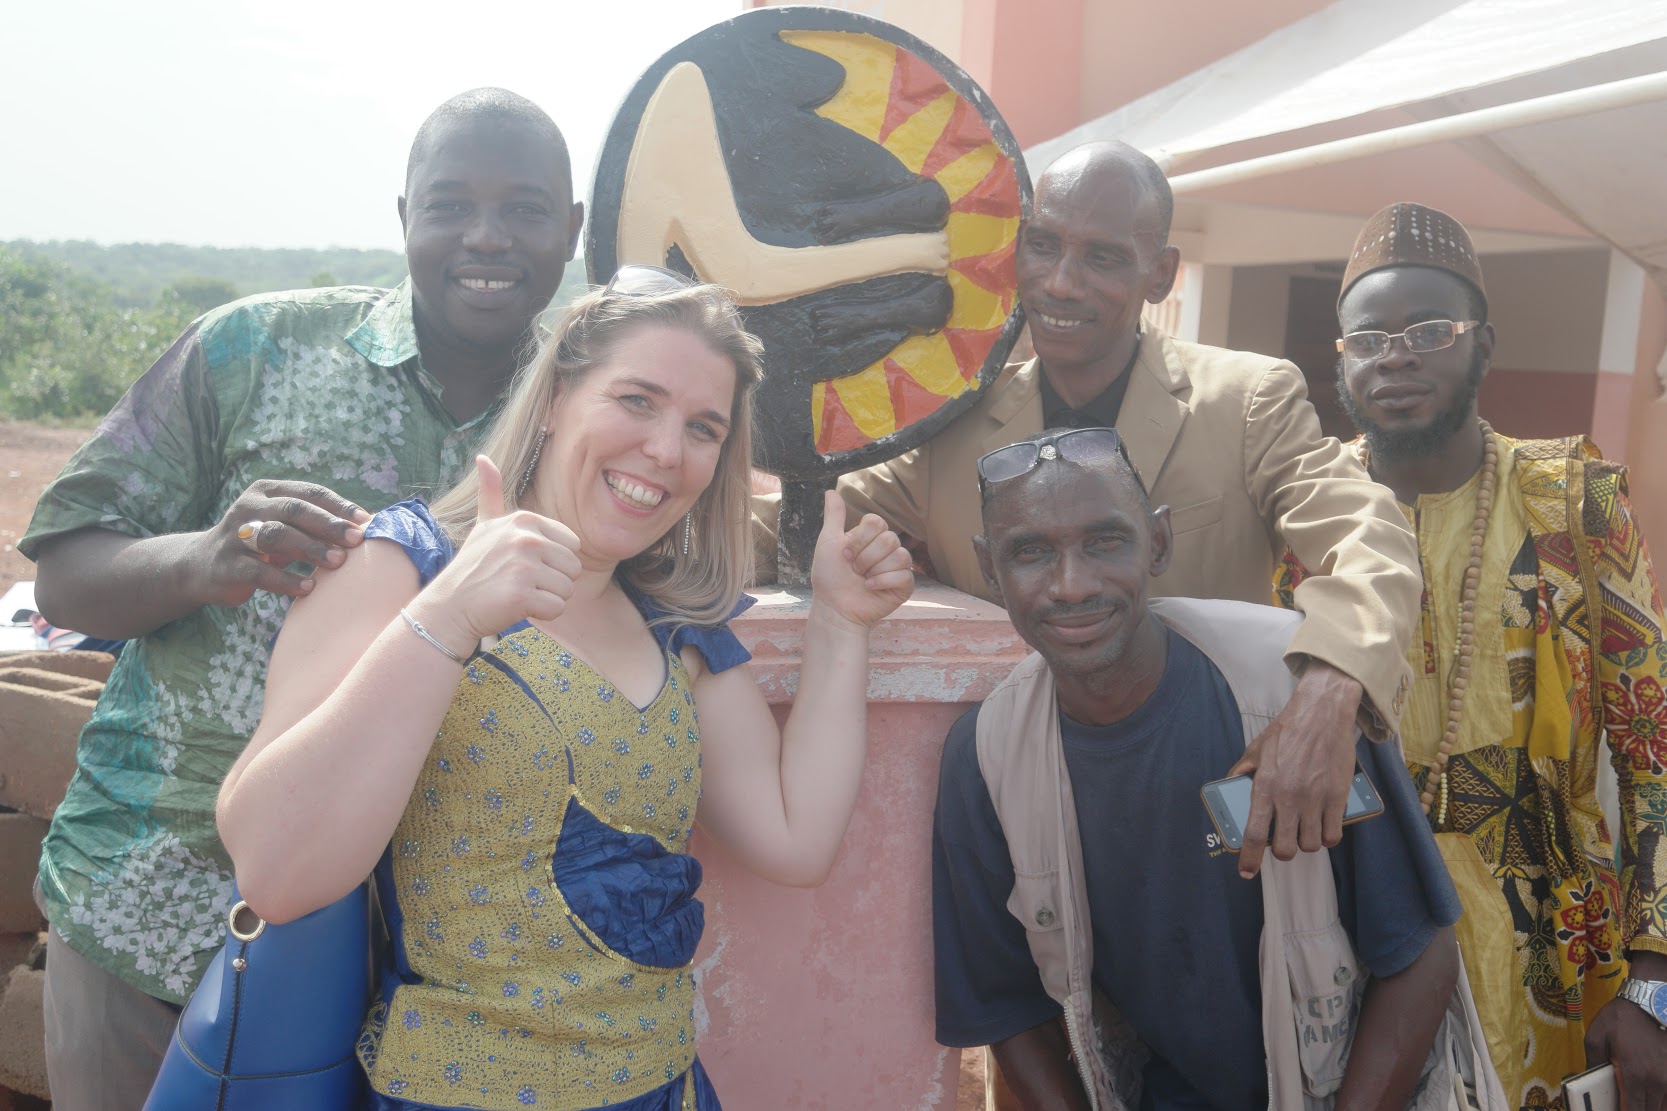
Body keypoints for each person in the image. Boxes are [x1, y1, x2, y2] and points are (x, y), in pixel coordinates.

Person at [215, 271, 914, 1109]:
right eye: (637, 400)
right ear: (553, 398)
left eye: (703, 427)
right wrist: (450, 616)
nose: (665, 449)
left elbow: (795, 840)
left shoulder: (673, 628)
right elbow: (274, 871)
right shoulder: (399, 568)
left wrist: (842, 622)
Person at [19, 87, 584, 1108]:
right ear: (403, 215)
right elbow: (65, 569)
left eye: (526, 208)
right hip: (159, 907)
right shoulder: (252, 352)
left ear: (572, 228)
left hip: (425, 974)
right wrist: (203, 558)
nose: (485, 237)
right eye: (450, 202)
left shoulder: (589, 415)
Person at [759, 140, 1422, 877]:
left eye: (1102, 257)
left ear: (1159, 274)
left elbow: (1368, 536)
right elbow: (801, 528)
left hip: (1218, 812)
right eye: (1041, 245)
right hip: (1016, 827)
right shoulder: (953, 425)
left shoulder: (1243, 403)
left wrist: (1330, 689)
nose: (1059, 283)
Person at [932, 427, 1496, 1110]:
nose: (1071, 585)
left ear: (1159, 542)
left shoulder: (1298, 692)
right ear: (988, 567)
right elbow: (1007, 1003)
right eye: (1029, 553)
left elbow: (1417, 949)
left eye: (1106, 541)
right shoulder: (986, 754)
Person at [1318, 201, 1667, 1109]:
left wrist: (1653, 978)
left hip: (1548, 946)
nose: (1397, 353)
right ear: (1342, 357)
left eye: (1429, 329)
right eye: (1370, 335)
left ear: (1482, 344)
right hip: (1348, 927)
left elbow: (1652, 748)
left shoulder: (1570, 499)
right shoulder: (1302, 515)